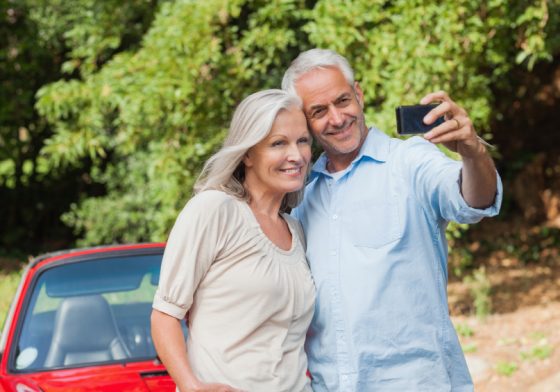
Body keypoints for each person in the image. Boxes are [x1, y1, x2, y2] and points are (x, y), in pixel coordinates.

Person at [281, 49, 503, 391]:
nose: (337, 118)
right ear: (303, 121)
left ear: (359, 94)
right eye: (319, 111)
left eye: (343, 100)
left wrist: (473, 151)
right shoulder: (300, 197)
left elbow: (474, 201)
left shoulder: (410, 161)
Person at [151, 89, 316, 392]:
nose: (297, 155)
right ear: (248, 154)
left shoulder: (296, 229)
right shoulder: (215, 209)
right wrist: (190, 385)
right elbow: (165, 315)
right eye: (279, 143)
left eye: (302, 141)